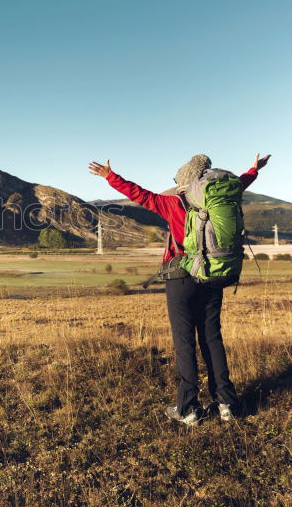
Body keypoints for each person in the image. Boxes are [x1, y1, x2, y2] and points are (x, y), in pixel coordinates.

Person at [88, 153, 271, 425]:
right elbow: (240, 184)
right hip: (211, 273)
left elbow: (139, 195)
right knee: (212, 338)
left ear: (182, 182)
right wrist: (254, 169)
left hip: (180, 277)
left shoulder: (171, 203)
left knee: (184, 342)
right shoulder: (217, 198)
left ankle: (188, 409)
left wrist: (109, 177)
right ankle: (226, 405)